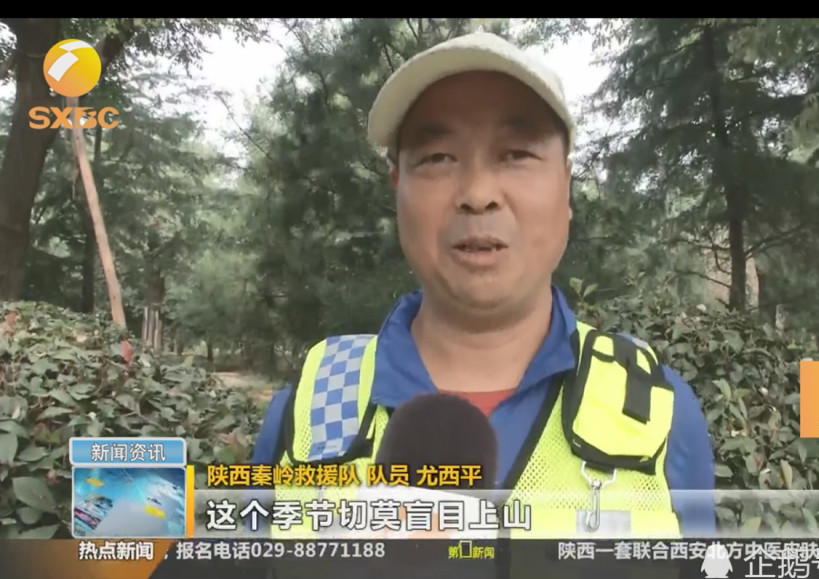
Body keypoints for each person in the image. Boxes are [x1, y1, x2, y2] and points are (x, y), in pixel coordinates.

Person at [250, 31, 716, 542]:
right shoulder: (310, 413)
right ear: (397, 190)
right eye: (437, 158)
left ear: (565, 187)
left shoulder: (656, 413)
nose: (477, 193)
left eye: (516, 154)